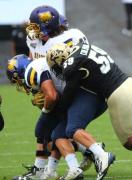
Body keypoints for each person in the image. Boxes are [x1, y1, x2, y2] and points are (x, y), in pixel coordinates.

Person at [46, 42, 132, 158]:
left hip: (118, 94)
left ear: (59, 60)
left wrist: (54, 110)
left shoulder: (70, 65)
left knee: (130, 143)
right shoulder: (84, 47)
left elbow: (68, 96)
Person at [10, 5, 96, 180]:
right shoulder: (33, 40)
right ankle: (84, 153)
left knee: (49, 130)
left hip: (72, 91)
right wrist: (39, 89)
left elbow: (83, 67)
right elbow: (34, 64)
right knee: (53, 133)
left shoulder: (73, 37)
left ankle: (43, 170)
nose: (32, 30)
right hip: (52, 89)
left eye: (36, 25)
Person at [6, 54, 111, 180]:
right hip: (82, 96)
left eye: (17, 79)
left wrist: (46, 109)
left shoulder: (32, 70)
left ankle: (98, 153)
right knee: (55, 134)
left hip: (84, 97)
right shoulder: (39, 64)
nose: (20, 84)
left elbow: (52, 95)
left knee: (48, 129)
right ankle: (69, 168)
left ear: (22, 71)